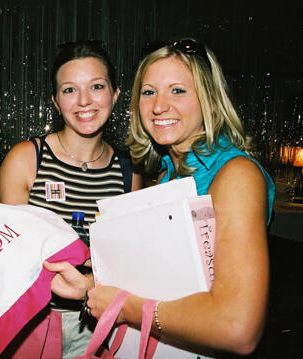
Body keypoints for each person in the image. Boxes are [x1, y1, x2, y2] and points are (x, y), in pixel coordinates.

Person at [44, 37, 275, 356]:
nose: (159, 106)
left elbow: (237, 328)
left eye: (177, 90)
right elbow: (165, 283)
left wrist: (124, 309)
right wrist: (92, 286)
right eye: (148, 92)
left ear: (208, 99)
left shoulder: (236, 175)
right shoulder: (166, 176)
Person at [0, 40, 142, 358]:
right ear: (55, 100)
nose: (84, 101)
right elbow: (7, 259)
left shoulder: (129, 172)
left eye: (97, 86)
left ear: (115, 94)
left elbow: (132, 261)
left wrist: (92, 282)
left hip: (103, 322)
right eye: (69, 90)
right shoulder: (26, 159)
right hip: (32, 322)